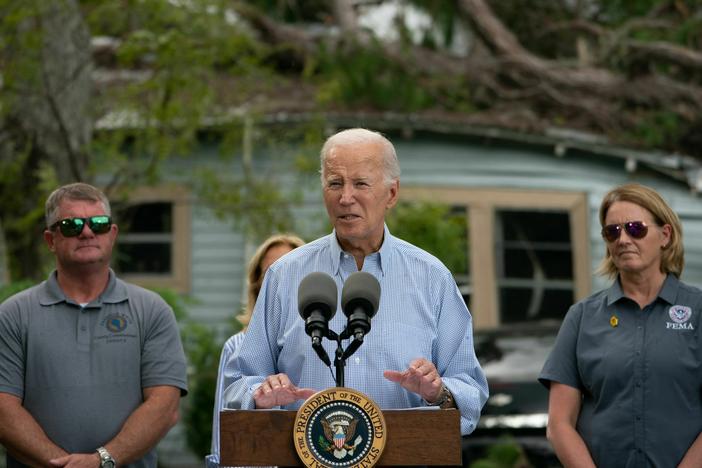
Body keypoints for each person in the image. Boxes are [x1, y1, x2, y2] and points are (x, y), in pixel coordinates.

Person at [223, 128, 488, 436]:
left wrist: (438, 392)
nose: (345, 197)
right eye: (334, 183)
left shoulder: (432, 278)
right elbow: (239, 382)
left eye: (360, 183)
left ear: (391, 193)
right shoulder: (284, 276)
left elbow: (469, 391)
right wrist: (261, 395)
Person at [0, 182, 188, 468]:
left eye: (98, 223)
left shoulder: (151, 311)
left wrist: (103, 460)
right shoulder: (13, 315)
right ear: (50, 240)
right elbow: (3, 409)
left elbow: (165, 406)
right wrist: (64, 465)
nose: (87, 232)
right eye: (72, 225)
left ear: (111, 234)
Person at [539, 183, 702, 467]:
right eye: (612, 232)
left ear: (665, 235)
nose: (623, 239)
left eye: (635, 228)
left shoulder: (698, 311)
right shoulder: (581, 317)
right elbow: (559, 425)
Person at [206, 233, 305, 468]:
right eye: (270, 271)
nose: (279, 276)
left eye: (289, 266)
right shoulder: (237, 345)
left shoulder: (323, 344)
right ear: (257, 282)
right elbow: (224, 431)